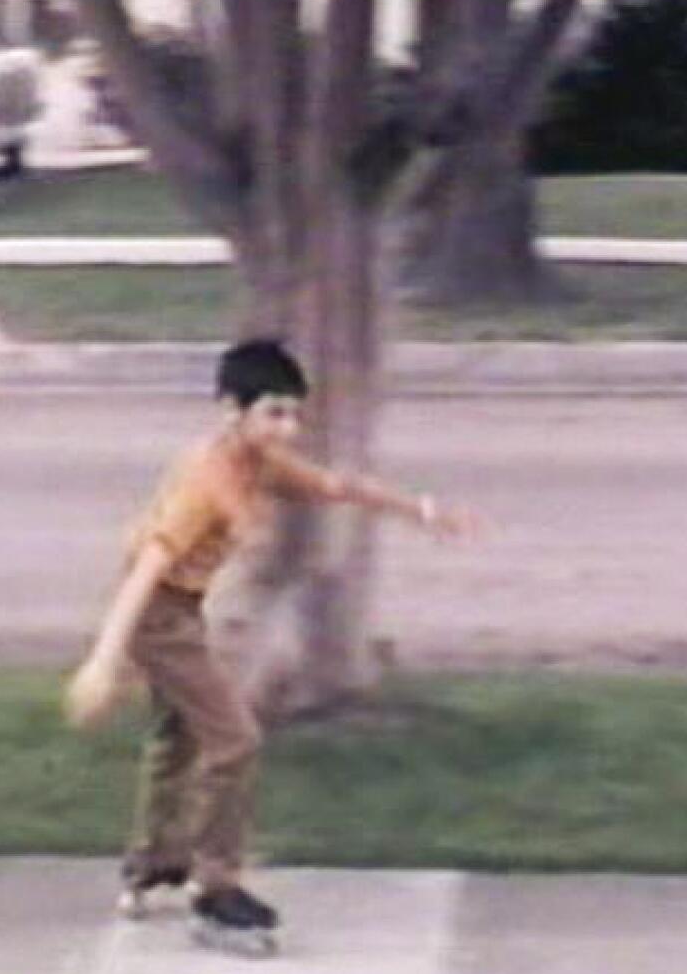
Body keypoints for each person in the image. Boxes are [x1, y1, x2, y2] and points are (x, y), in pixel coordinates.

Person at [65, 338, 478, 938]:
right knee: (235, 741)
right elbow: (148, 569)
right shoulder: (205, 481)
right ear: (233, 410)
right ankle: (216, 886)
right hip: (157, 615)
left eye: (293, 413)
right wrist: (103, 661)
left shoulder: (257, 460)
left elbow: (337, 487)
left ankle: (152, 864)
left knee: (178, 736)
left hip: (180, 609)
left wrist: (421, 509)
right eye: (274, 413)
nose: (288, 428)